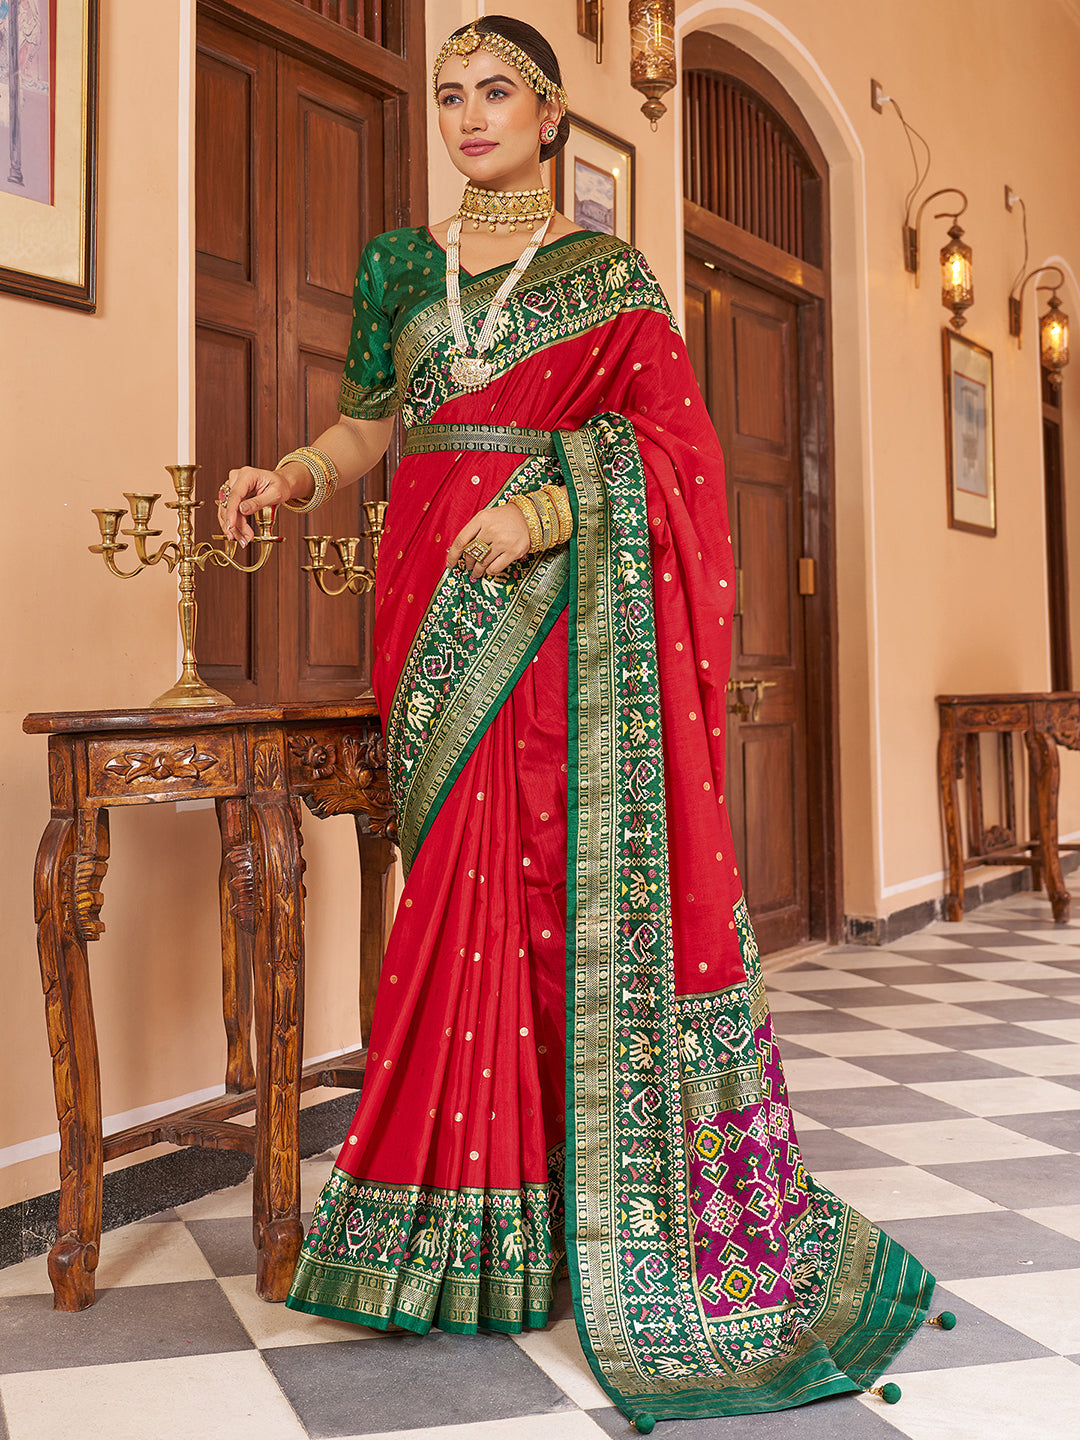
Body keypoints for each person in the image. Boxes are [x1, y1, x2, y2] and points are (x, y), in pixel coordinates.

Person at [219, 17, 942, 1432]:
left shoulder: (608, 277)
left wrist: (550, 510)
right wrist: (292, 473)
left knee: (558, 893)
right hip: (431, 614)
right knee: (452, 897)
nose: (468, 114)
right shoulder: (401, 268)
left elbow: (680, 459)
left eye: (496, 93)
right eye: (450, 94)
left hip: (553, 610)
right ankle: (461, 1229)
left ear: (550, 117)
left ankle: (582, 1211)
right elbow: (377, 426)